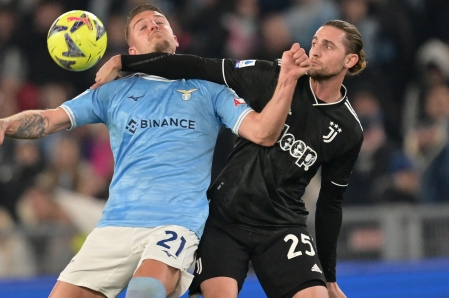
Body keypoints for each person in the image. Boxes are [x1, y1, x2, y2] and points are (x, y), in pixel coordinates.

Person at [0, 4, 310, 298]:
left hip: (176, 222)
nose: (154, 26)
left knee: (145, 290)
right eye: (143, 26)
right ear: (132, 52)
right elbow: (49, 119)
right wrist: (4, 123)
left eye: (161, 23)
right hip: (115, 224)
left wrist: (287, 81)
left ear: (175, 38)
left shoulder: (210, 89)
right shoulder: (112, 91)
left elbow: (264, 133)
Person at [93, 19, 366, 298]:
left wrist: (330, 278)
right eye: (315, 42)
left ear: (350, 60)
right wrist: (124, 62)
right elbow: (200, 66)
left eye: (328, 46)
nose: (315, 51)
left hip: (281, 224)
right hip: (225, 218)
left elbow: (331, 204)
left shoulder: (349, 130)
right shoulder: (273, 75)